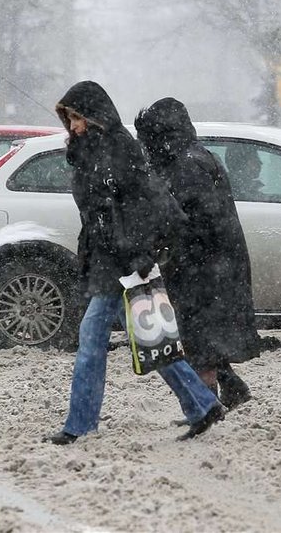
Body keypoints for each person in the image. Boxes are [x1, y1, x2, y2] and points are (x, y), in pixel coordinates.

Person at [44, 81, 223, 445]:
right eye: (69, 119)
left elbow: (146, 202)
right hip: (108, 259)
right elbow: (95, 215)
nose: (73, 126)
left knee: (93, 339)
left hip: (125, 260)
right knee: (149, 338)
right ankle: (202, 404)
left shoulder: (121, 148)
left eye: (78, 118)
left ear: (95, 116)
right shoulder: (85, 152)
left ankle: (78, 425)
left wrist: (140, 252)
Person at [134, 97, 258, 411]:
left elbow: (189, 219)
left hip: (203, 267)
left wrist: (161, 241)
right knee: (203, 335)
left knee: (198, 338)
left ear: (160, 135)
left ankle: (206, 406)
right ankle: (231, 390)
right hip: (208, 264)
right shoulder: (193, 157)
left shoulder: (186, 165)